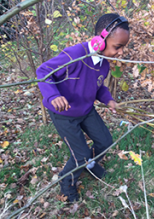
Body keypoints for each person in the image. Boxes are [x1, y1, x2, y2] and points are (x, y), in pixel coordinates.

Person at [37, 14, 130, 202]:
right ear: (100, 41)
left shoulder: (103, 63)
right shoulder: (74, 55)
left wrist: (109, 100)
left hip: (86, 110)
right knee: (80, 155)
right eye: (117, 47)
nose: (121, 52)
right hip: (64, 114)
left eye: (123, 47)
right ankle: (67, 183)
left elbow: (98, 86)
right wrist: (53, 95)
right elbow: (44, 71)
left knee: (104, 141)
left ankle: (90, 163)